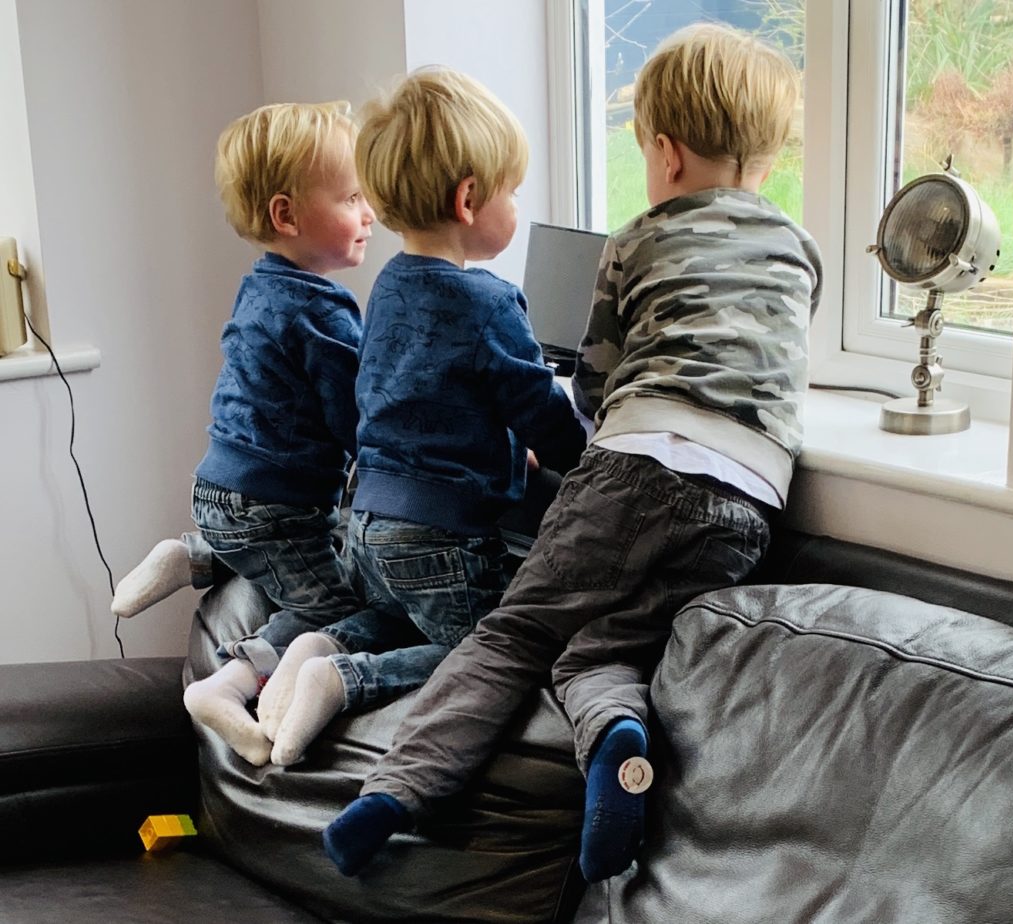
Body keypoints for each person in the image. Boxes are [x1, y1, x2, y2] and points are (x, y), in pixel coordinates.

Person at [322, 22, 823, 884]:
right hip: (751, 499)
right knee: (606, 649)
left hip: (637, 464)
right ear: (767, 161)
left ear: (664, 155)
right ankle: (619, 747)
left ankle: (393, 793)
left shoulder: (636, 239)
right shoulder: (798, 251)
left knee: (516, 634)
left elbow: (596, 381)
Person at [263, 66, 587, 768]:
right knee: (494, 647)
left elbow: (416, 401)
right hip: (438, 536)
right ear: (470, 199)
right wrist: (587, 455)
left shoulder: (386, 287)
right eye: (514, 192)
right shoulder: (489, 302)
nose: (516, 205)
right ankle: (347, 677)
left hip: (366, 524)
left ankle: (325, 643)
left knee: (397, 615)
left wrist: (502, 455)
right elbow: (540, 410)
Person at [131, 100, 375, 766]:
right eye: (352, 197)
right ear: (286, 215)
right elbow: (358, 421)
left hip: (218, 491)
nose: (369, 214)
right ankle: (228, 684)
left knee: (274, 545)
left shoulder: (259, 288)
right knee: (332, 599)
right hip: (274, 507)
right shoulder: (324, 312)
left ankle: (193, 554)